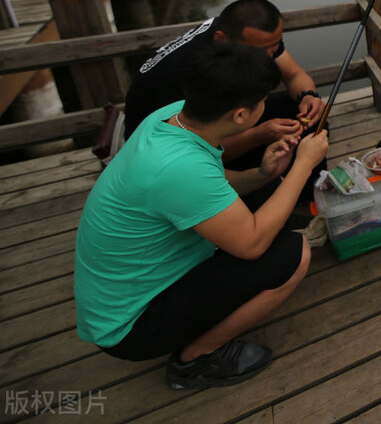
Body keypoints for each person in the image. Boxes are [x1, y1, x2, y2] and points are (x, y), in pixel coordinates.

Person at [75, 41, 329, 388]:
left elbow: (209, 185)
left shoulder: (173, 117)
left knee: (268, 190)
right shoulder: (178, 167)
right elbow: (251, 244)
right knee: (294, 255)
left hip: (134, 286)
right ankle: (195, 360)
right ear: (239, 115)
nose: (264, 106)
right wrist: (304, 164)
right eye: (261, 102)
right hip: (131, 324)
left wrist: (262, 173)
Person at [123, 0, 328, 200]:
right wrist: (256, 136)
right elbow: (193, 149)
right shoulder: (185, 76)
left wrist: (308, 96)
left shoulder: (244, 36)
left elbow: (294, 75)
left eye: (273, 46)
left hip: (203, 126)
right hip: (160, 153)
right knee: (265, 182)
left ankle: (311, 198)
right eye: (260, 50)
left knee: (304, 113)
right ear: (221, 39)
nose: (268, 56)